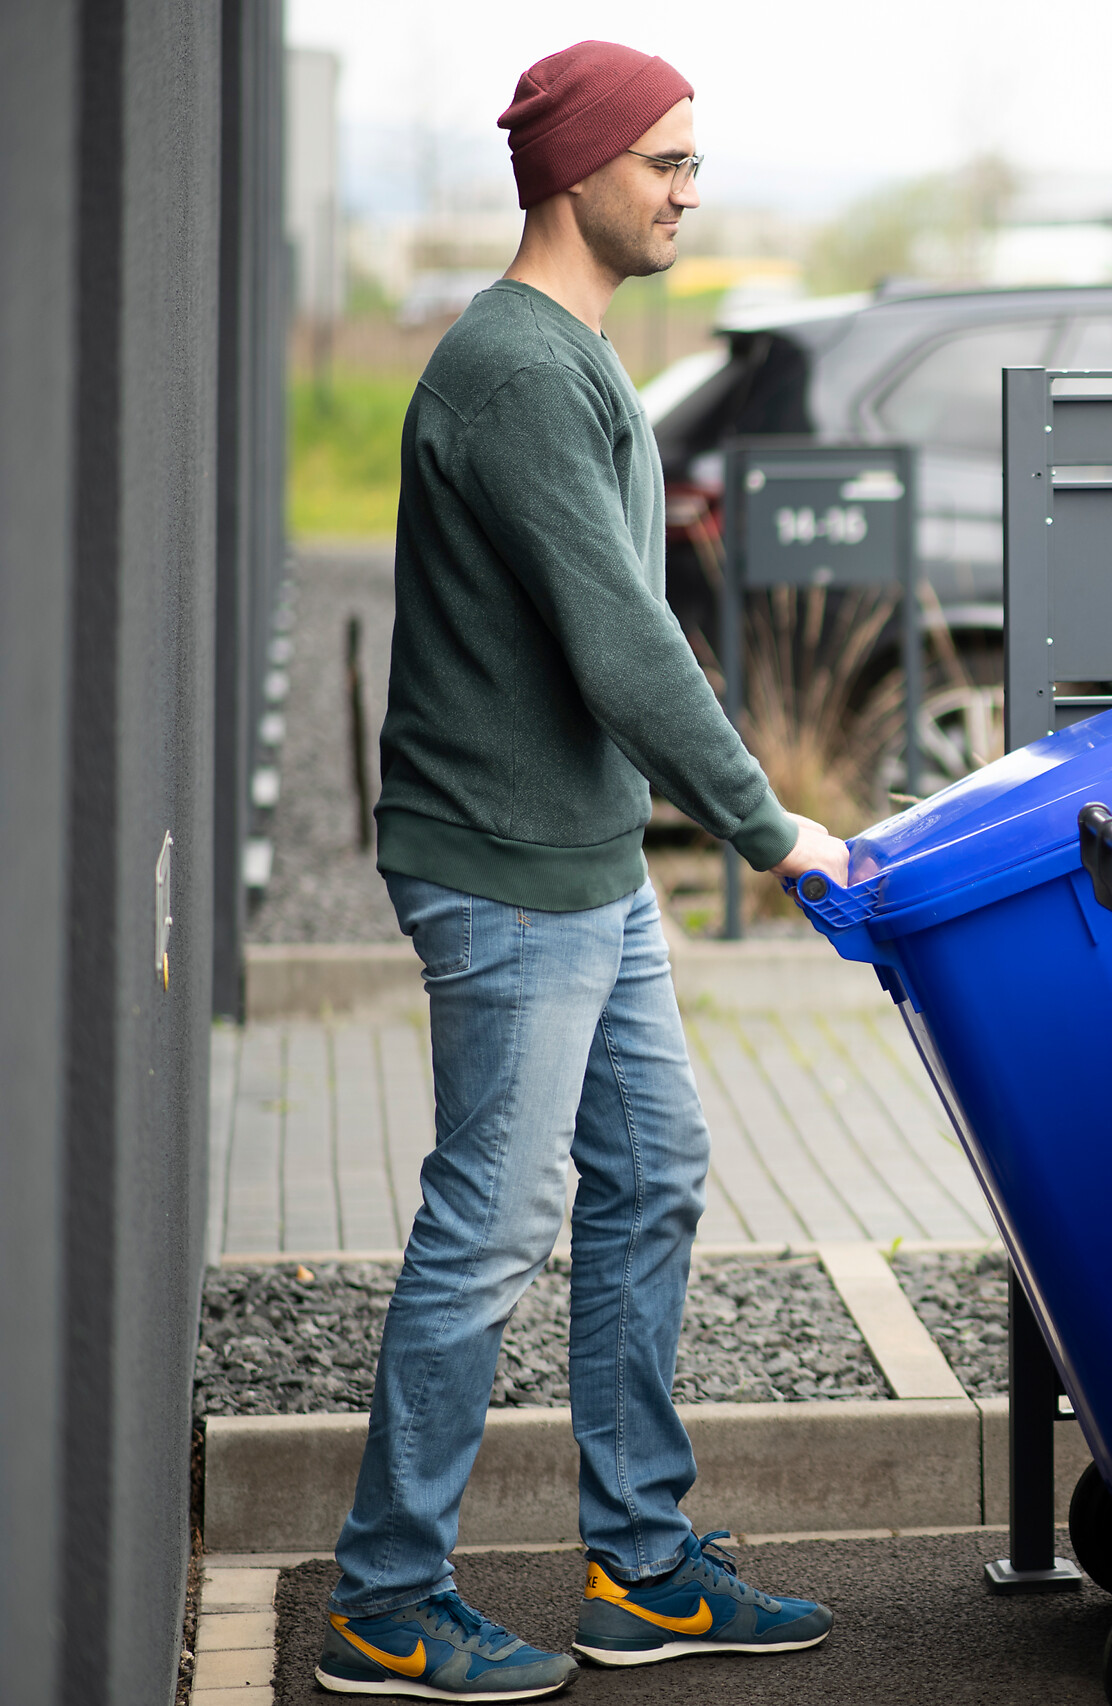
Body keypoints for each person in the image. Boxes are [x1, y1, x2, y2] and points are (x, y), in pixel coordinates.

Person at [315, 40, 849, 1700]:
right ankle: (386, 1599)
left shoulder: (576, 356)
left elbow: (619, 649)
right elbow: (625, 644)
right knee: (491, 1223)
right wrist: (773, 825)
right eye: (667, 161)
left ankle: (643, 1563)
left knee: (659, 1167)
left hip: (588, 861)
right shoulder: (520, 372)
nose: (690, 188)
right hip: (510, 870)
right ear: (579, 175)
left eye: (695, 161)